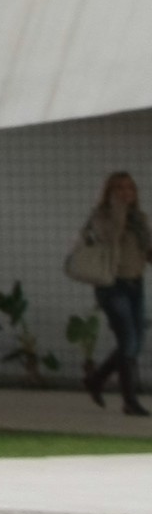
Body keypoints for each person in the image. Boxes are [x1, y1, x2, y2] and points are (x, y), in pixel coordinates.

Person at [72, 170, 150, 415]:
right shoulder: (102, 216)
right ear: (109, 192)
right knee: (128, 342)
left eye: (129, 188)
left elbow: (146, 250)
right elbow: (111, 237)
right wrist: (118, 210)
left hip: (135, 285)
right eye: (119, 188)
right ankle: (129, 401)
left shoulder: (139, 219)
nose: (125, 192)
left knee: (134, 344)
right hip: (111, 286)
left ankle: (95, 380)